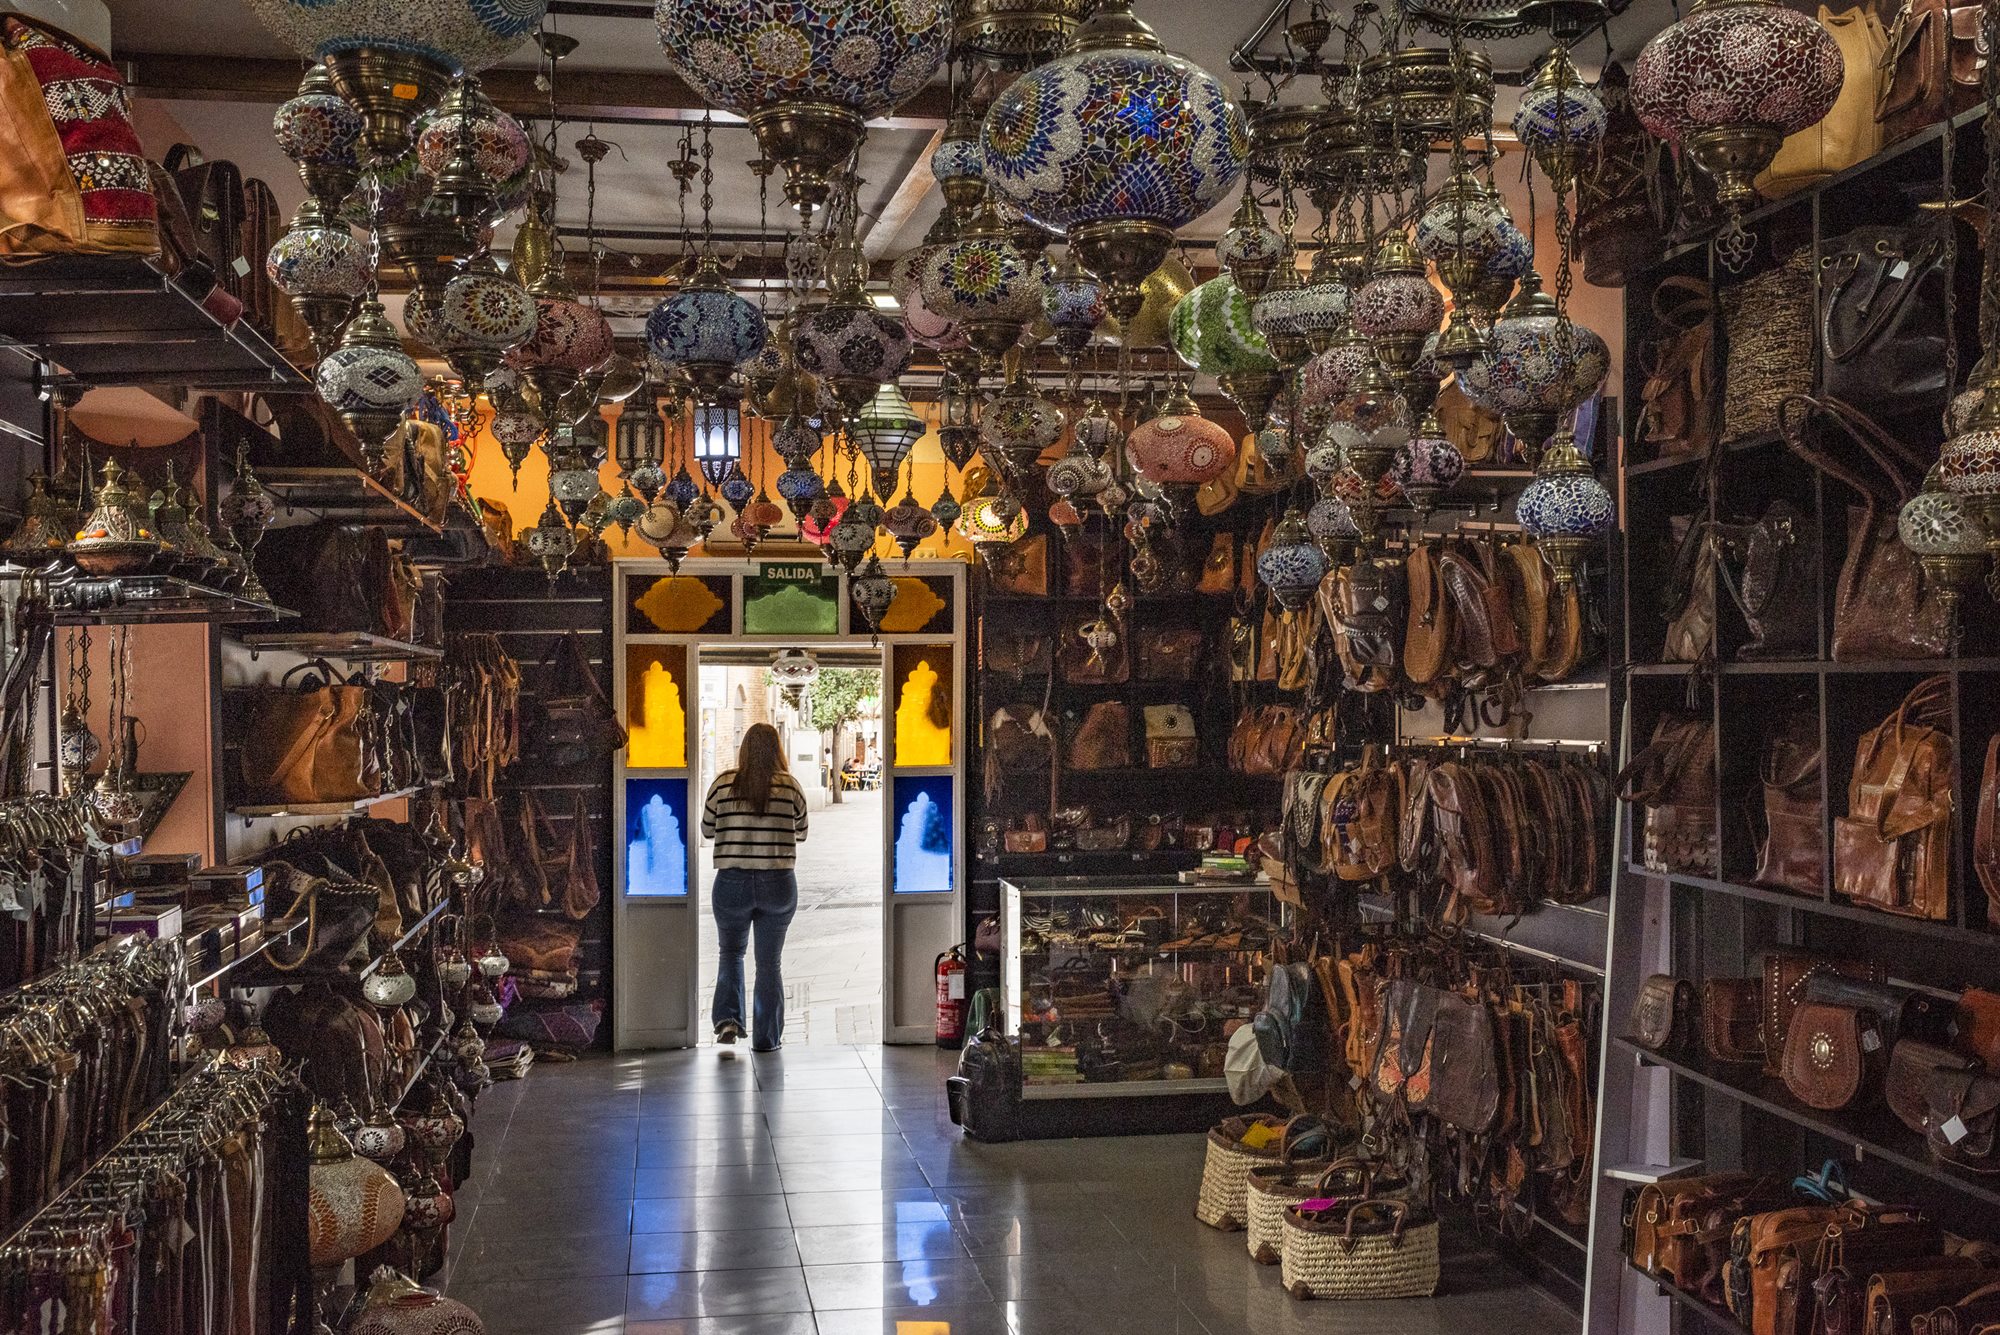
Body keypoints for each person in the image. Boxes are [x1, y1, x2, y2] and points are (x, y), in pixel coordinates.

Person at [701, 723, 808, 1050]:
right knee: (769, 962)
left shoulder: (723, 784)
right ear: (777, 750)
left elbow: (707, 830)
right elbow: (801, 831)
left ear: (743, 749)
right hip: (778, 884)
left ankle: (729, 1020)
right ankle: (766, 1038)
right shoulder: (790, 786)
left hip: (731, 883)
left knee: (731, 953)